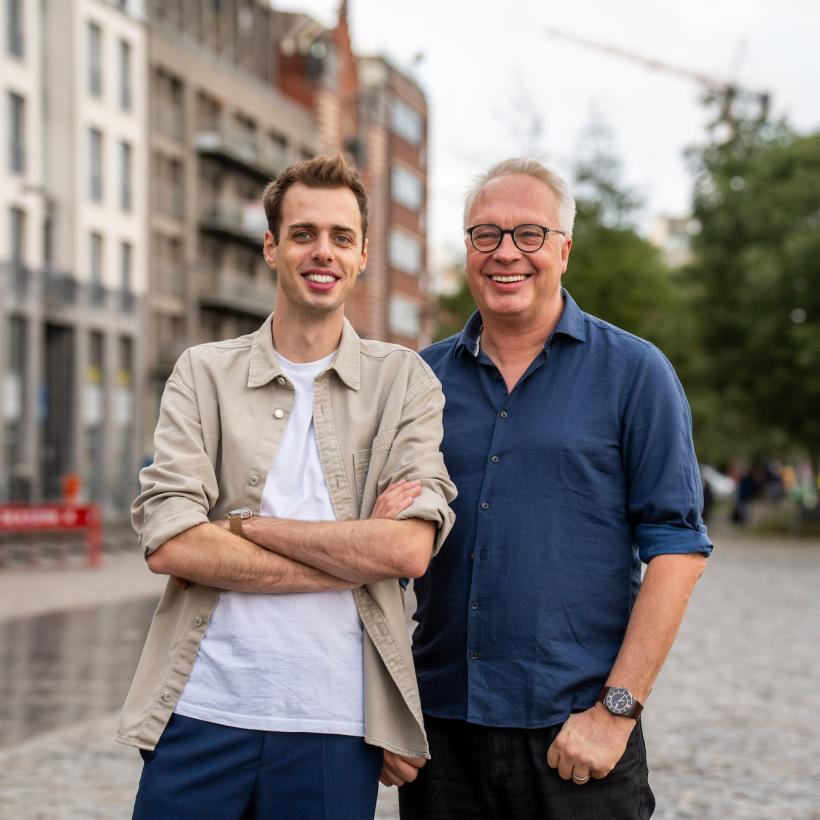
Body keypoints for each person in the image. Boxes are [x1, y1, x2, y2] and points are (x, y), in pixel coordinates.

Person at [118, 154, 456, 820]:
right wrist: (354, 552)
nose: (322, 251)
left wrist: (240, 526)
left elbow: (408, 550)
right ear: (271, 247)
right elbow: (171, 543)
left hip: (334, 724)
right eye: (303, 234)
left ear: (362, 256)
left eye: (341, 237)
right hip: (201, 713)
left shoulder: (403, 381)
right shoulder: (203, 373)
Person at [385, 158, 712, 819]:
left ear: (563, 250)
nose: (506, 252)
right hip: (440, 737)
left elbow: (677, 550)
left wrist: (616, 713)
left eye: (529, 233)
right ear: (467, 250)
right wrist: (384, 709)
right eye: (485, 234)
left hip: (578, 737)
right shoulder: (418, 381)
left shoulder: (635, 373)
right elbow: (378, 555)